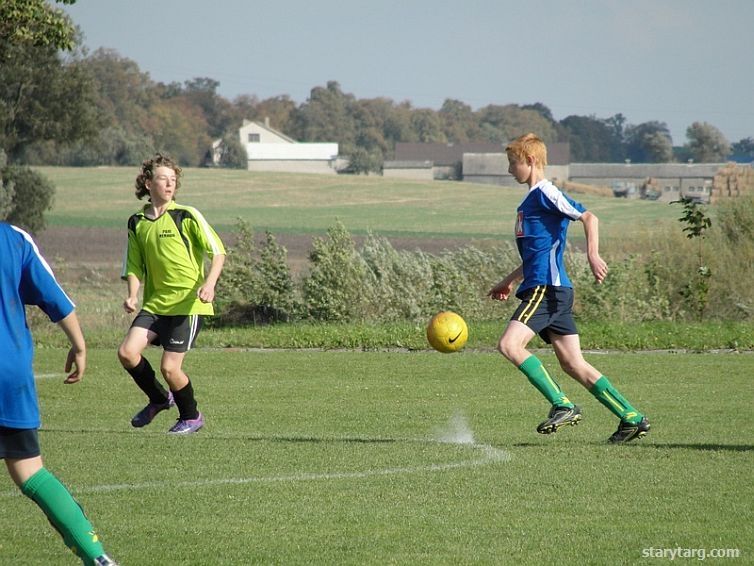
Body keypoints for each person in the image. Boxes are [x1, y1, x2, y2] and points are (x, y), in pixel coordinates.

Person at [488, 133, 650, 443]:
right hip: (551, 289)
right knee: (573, 364)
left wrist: (593, 254)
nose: (510, 170)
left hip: (546, 289)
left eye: (513, 163)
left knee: (509, 345)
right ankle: (631, 417)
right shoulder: (530, 200)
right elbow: (537, 253)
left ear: (531, 161)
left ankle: (561, 404)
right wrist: (509, 281)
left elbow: (589, 217)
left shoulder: (545, 193)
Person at [0, 222, 117, 565]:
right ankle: (97, 557)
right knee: (30, 471)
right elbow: (56, 299)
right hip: (11, 373)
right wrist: (79, 345)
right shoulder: (14, 239)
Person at [117, 153, 226, 434]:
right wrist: (132, 295)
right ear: (148, 183)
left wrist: (210, 284)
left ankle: (191, 416)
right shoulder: (137, 222)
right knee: (128, 353)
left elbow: (218, 252)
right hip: (155, 305)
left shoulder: (186, 215)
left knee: (170, 368)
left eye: (173, 180)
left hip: (188, 305)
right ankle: (158, 399)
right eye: (163, 179)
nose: (169, 185)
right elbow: (133, 265)